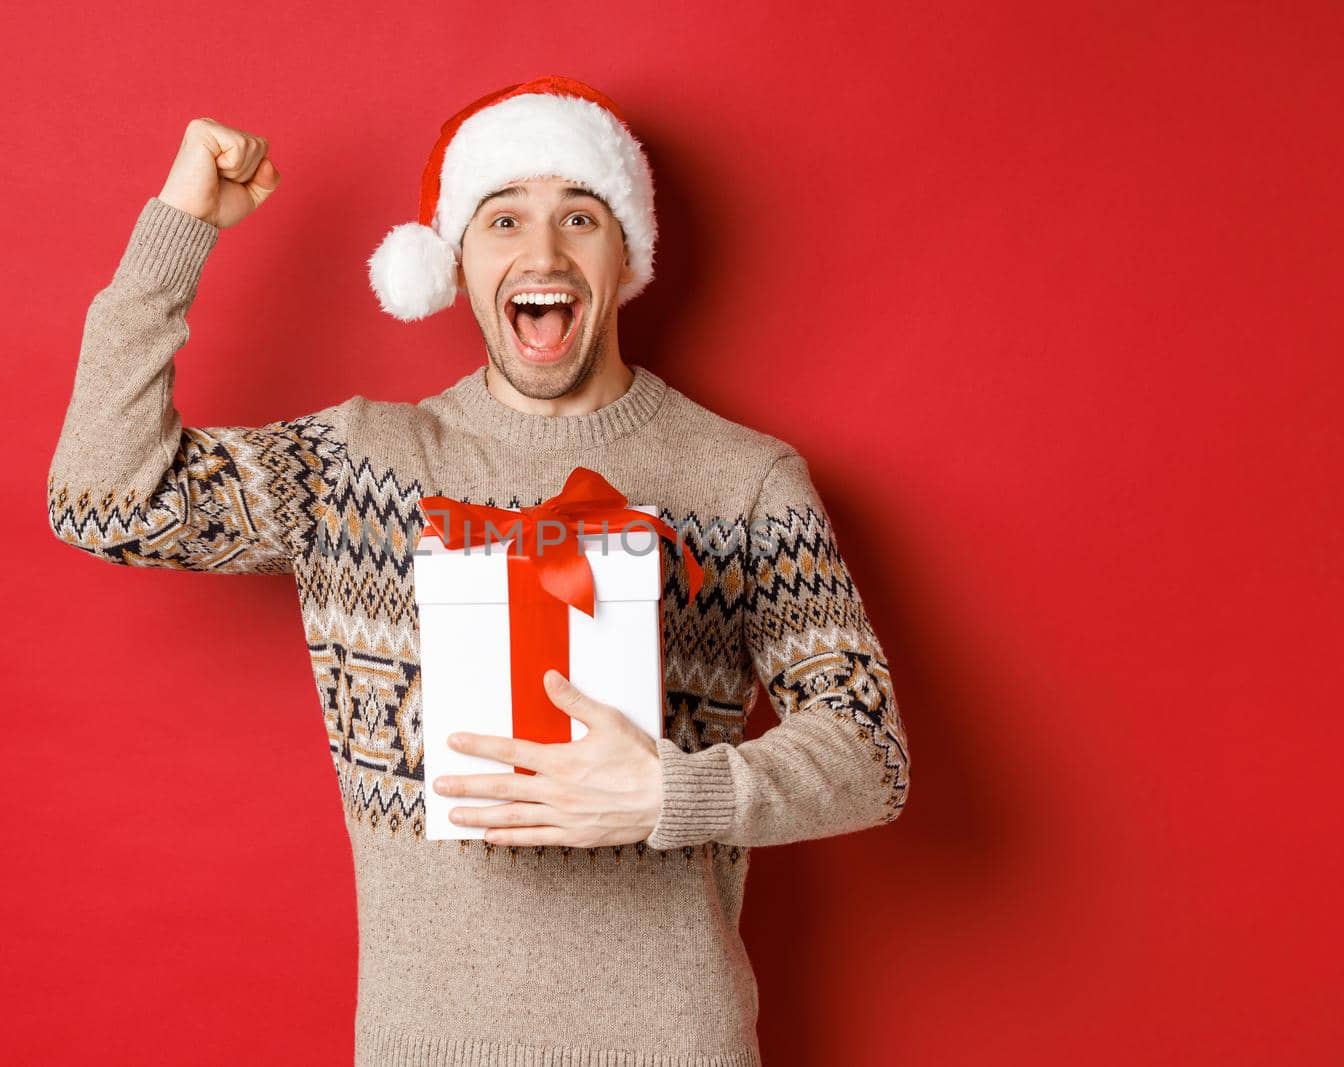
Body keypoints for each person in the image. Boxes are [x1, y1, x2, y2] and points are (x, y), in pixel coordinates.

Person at [47, 74, 911, 1067]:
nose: (541, 252)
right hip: (426, 1044)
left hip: (673, 1041)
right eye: (503, 219)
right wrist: (178, 228)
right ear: (455, 259)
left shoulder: (743, 480)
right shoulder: (356, 465)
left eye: (578, 216)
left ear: (625, 251)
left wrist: (676, 795)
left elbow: (868, 752)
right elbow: (105, 500)